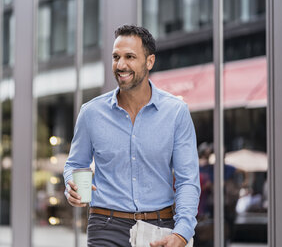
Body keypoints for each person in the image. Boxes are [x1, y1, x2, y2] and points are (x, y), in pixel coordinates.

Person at [63, 24, 200, 247]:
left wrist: (182, 232)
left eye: (130, 57)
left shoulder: (176, 112)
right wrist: (72, 183)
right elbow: (75, 163)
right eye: (116, 57)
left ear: (149, 61)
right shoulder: (91, 113)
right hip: (105, 226)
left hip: (159, 227)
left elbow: (187, 180)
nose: (121, 64)